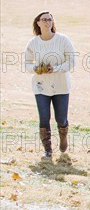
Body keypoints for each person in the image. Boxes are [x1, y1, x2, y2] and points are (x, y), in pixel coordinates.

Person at [24, 11, 76, 161]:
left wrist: (55, 69)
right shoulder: (33, 43)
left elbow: (72, 62)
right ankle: (47, 150)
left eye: (50, 20)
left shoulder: (63, 40)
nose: (47, 22)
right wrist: (35, 68)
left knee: (61, 119)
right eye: (44, 20)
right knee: (44, 117)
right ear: (38, 23)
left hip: (61, 85)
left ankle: (63, 136)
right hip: (41, 86)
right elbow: (26, 63)